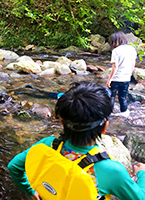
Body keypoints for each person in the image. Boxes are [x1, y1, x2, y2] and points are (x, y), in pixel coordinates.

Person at [8, 82, 145, 200]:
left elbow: (14, 166)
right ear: (104, 127)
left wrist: (31, 191)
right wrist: (141, 173)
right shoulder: (111, 170)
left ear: (61, 121)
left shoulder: (47, 144)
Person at [106, 31, 137, 118]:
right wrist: (129, 75)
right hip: (126, 78)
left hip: (116, 78)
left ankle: (109, 114)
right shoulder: (132, 49)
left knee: (111, 96)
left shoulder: (116, 51)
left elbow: (115, 66)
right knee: (122, 97)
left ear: (116, 41)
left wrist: (109, 80)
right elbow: (133, 64)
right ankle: (124, 113)